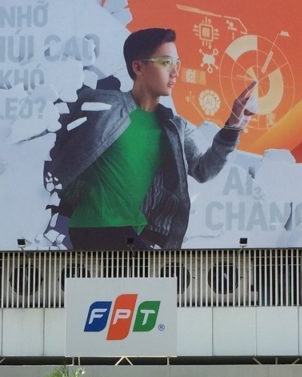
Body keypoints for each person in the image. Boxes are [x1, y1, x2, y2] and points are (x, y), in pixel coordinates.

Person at [46, 28, 255, 250]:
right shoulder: (103, 104)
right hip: (93, 226)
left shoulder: (174, 127)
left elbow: (203, 170)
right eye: (166, 62)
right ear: (138, 67)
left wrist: (232, 127)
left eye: (177, 63)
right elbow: (54, 128)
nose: (175, 72)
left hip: (133, 230)